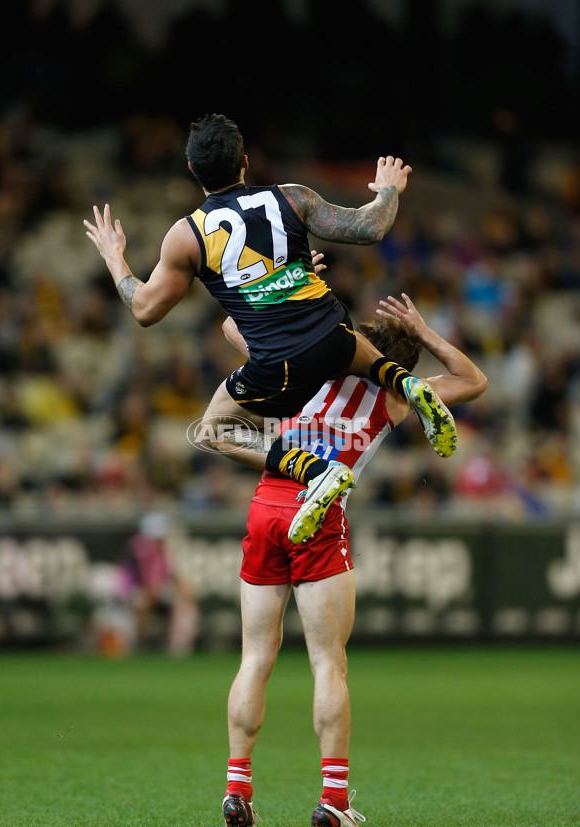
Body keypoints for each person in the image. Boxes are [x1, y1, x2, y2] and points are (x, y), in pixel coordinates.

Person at [83, 114, 457, 541]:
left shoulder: (186, 236)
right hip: (335, 333)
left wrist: (114, 256)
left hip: (280, 367)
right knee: (346, 339)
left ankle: (313, 470)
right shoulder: (293, 197)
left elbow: (145, 309)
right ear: (245, 162)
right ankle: (404, 382)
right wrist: (389, 188)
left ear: (192, 171)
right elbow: (371, 226)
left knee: (211, 430)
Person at [219, 292, 487, 827]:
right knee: (328, 663)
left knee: (254, 658)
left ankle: (237, 788)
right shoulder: (398, 399)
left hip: (269, 501)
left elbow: (233, 324)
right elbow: (473, 380)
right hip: (320, 514)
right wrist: (425, 332)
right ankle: (334, 800)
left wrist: (293, 293)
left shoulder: (311, 365)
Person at [116, 512, 199, 655]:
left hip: (160, 592)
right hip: (136, 592)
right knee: (139, 603)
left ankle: (178, 648)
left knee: (185, 605)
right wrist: (146, 591)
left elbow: (173, 575)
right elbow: (127, 580)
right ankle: (137, 646)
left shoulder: (166, 551)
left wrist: (183, 589)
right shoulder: (135, 549)